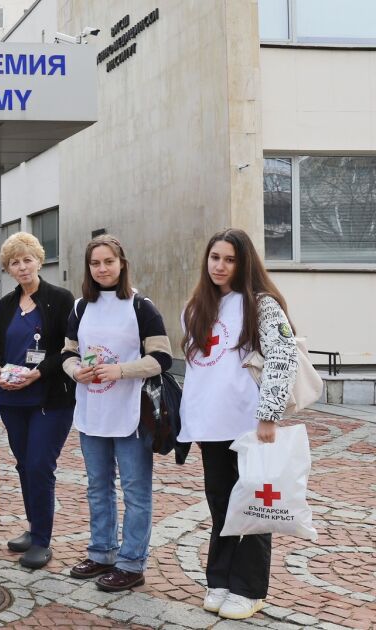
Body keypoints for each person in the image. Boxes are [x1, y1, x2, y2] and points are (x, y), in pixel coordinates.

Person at [179, 228, 296, 620]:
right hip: (210, 425)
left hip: (249, 423)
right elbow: (198, 370)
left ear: (244, 263)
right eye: (215, 257)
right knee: (221, 505)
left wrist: (269, 415)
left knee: (256, 506)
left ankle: (249, 589)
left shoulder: (261, 304)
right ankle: (220, 579)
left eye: (230, 259)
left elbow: (282, 357)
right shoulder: (196, 307)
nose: (220, 266)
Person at [61, 235, 171, 592]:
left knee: (135, 491)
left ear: (122, 263)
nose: (102, 269)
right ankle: (102, 552)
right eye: (95, 263)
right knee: (98, 486)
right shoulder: (80, 307)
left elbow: (162, 358)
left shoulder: (141, 307)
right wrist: (75, 370)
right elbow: (68, 352)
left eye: (109, 261)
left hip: (130, 412)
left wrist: (121, 370)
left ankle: (132, 563)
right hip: (92, 409)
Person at [0, 231, 75, 570]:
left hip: (49, 398)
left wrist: (39, 373)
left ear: (39, 261)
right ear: (8, 268)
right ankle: (33, 526)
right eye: (15, 262)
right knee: (24, 464)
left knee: (40, 464)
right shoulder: (7, 303)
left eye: (27, 260)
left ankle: (41, 540)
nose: (22, 267)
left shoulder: (60, 299)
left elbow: (68, 349)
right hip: (12, 398)